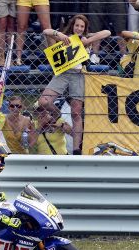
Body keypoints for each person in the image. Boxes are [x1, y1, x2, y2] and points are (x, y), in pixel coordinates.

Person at [39, 15, 110, 154]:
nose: (79, 28)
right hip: (63, 74)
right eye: (77, 25)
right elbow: (46, 31)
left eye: (82, 26)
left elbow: (107, 32)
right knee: (43, 101)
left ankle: (77, 149)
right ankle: (57, 113)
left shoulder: (86, 38)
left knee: (76, 112)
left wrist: (88, 40)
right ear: (72, 25)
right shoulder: (65, 37)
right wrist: (58, 34)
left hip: (78, 75)